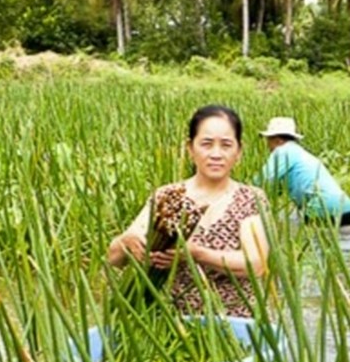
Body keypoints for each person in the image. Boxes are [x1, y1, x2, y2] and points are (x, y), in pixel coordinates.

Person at [108, 105, 269, 318]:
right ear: (190, 149)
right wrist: (126, 242)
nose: (216, 154)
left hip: (233, 324)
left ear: (239, 152)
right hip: (172, 322)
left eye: (226, 145)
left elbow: (256, 264)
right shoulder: (169, 196)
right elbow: (114, 259)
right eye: (206, 144)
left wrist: (196, 254)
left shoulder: (251, 199)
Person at [257, 116, 350, 226]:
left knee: (313, 239)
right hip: (348, 208)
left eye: (268, 140)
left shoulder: (282, 152)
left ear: (277, 140)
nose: (267, 145)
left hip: (321, 208)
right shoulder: (301, 154)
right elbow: (277, 188)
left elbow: (263, 181)